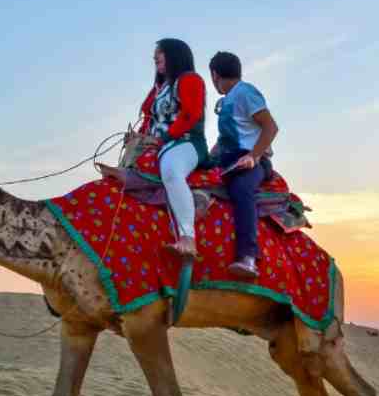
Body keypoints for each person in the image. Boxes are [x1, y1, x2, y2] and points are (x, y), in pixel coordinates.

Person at [99, 38, 208, 258]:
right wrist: (138, 136)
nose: (156, 57)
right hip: (158, 145)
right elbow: (150, 119)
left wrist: (163, 139)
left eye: (161, 53)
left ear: (175, 55)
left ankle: (188, 237)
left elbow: (190, 114)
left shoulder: (189, 80)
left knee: (171, 171)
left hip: (185, 143)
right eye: (155, 54)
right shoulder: (159, 89)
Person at [208, 51, 279, 279]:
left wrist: (254, 156)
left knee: (241, 190)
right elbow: (225, 139)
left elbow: (270, 127)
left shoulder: (246, 92)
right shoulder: (226, 101)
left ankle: (248, 257)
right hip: (228, 160)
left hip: (252, 161)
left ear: (215, 74)